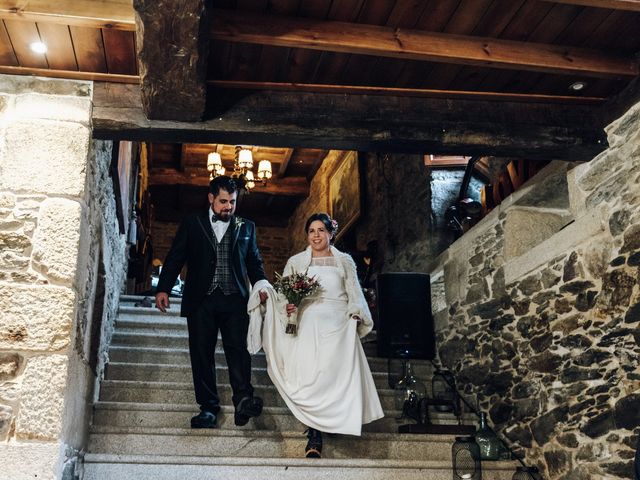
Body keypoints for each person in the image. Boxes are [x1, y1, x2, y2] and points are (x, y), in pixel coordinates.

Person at [259, 213, 384, 458]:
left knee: (333, 375)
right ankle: (314, 432)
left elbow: (354, 292)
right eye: (311, 231)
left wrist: (356, 313)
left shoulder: (344, 261)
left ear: (330, 234)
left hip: (337, 323)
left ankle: (334, 419)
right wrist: (288, 307)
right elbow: (284, 293)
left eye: (320, 231)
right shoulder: (297, 261)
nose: (316, 235)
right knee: (311, 375)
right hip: (308, 323)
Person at [155, 176, 267, 429]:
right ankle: (208, 408)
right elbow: (176, 256)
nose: (228, 207)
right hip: (200, 299)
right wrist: (163, 288)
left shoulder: (246, 226)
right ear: (211, 198)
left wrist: (261, 286)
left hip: (235, 300)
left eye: (233, 202)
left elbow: (254, 263)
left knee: (238, 351)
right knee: (201, 353)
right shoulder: (192, 223)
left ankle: (243, 400)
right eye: (223, 201)